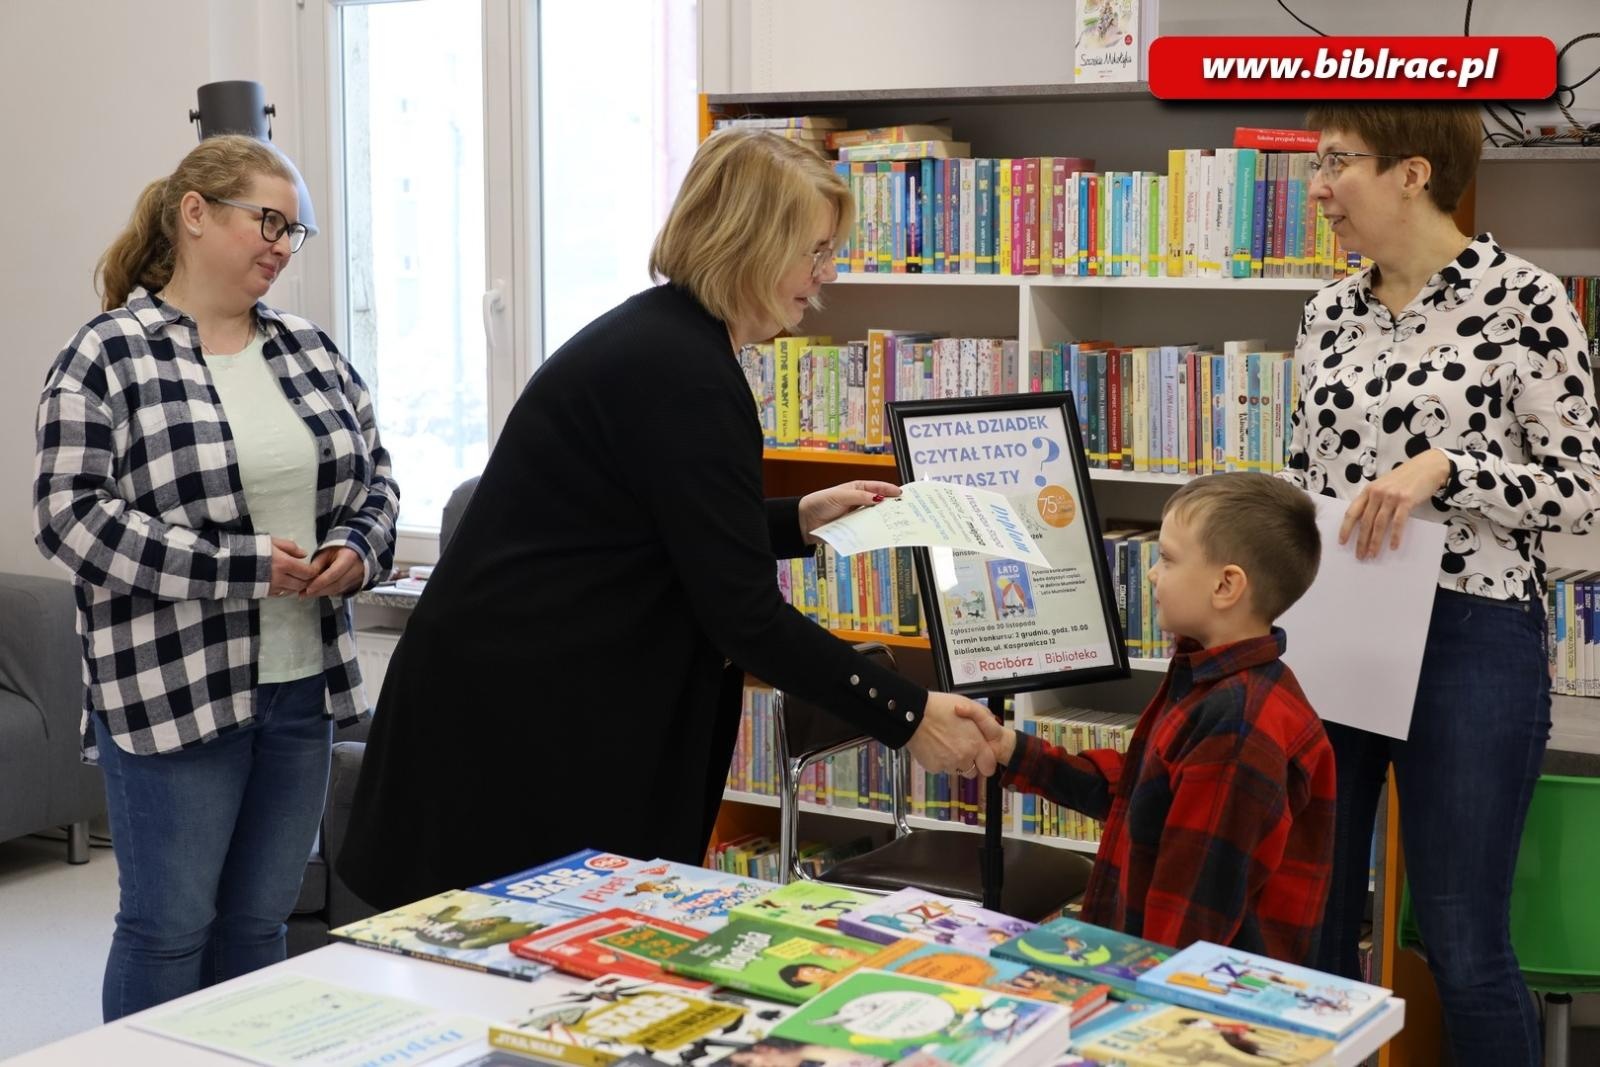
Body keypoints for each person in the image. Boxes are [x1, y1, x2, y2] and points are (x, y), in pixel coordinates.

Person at [337, 129, 1003, 910]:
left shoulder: (667, 341)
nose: (825, 276)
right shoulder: (683, 373)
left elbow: (652, 528)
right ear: (752, 244)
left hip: (531, 714)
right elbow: (743, 616)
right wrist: (908, 713)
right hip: (517, 735)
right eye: (813, 252)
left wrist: (794, 519)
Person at [32, 134, 399, 1020]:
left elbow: (377, 481)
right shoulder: (108, 355)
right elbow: (69, 518)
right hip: (170, 694)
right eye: (267, 220)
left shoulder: (308, 350)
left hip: (300, 689)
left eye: (294, 231)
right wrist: (239, 568)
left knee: (260, 926)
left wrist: (358, 549)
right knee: (169, 929)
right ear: (195, 214)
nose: (281, 243)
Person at [1280, 104, 1600, 1065]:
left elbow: (1582, 487)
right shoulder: (1325, 312)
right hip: (1334, 629)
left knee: (1461, 939)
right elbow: (1304, 475)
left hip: (1472, 637)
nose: (1317, 186)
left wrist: (1450, 468)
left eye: (1336, 162)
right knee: (1313, 924)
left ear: (1413, 172)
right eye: (1317, 162)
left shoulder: (1528, 301)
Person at [989, 473, 1335, 964]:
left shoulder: (1236, 724)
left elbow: (1191, 916)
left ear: (1226, 585)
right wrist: (1012, 751)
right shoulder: (1212, 683)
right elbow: (1140, 798)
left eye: (1168, 559)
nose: (1152, 574)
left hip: (1184, 997)